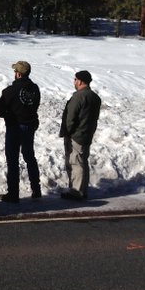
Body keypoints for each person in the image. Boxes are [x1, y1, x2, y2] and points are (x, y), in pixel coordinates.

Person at [0, 61, 42, 203]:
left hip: (15, 127)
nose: (14, 73)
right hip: (30, 126)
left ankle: (13, 194)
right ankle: (36, 189)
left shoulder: (10, 91)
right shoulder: (35, 89)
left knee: (13, 161)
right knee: (30, 157)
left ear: (18, 74)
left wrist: (9, 114)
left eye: (15, 71)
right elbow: (36, 104)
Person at [59, 70, 102, 201]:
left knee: (75, 163)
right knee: (82, 162)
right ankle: (81, 190)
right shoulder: (95, 97)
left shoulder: (78, 97)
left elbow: (71, 117)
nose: (74, 82)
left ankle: (77, 191)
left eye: (75, 79)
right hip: (87, 134)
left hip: (76, 135)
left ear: (80, 81)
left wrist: (68, 131)